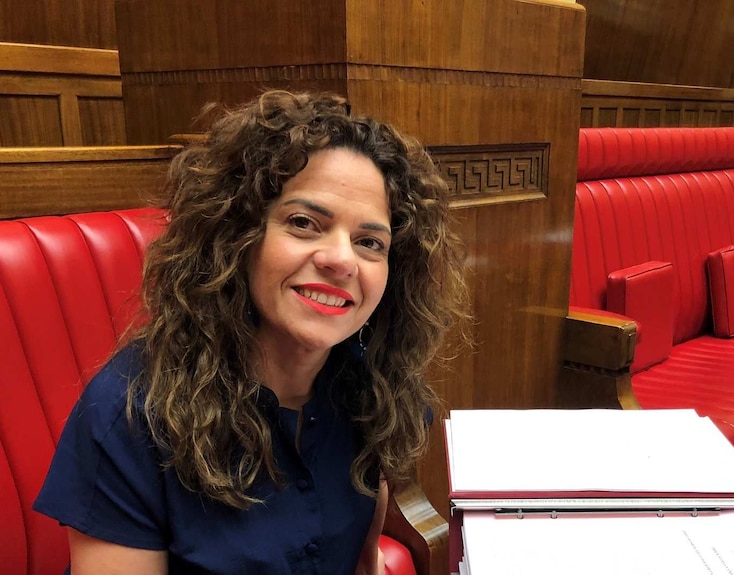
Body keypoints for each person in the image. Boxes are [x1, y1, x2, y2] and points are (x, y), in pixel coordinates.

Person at [33, 90, 469, 575]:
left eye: (370, 242)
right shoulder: (129, 413)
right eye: (304, 223)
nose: (342, 259)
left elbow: (363, 563)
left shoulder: (371, 385)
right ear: (236, 238)